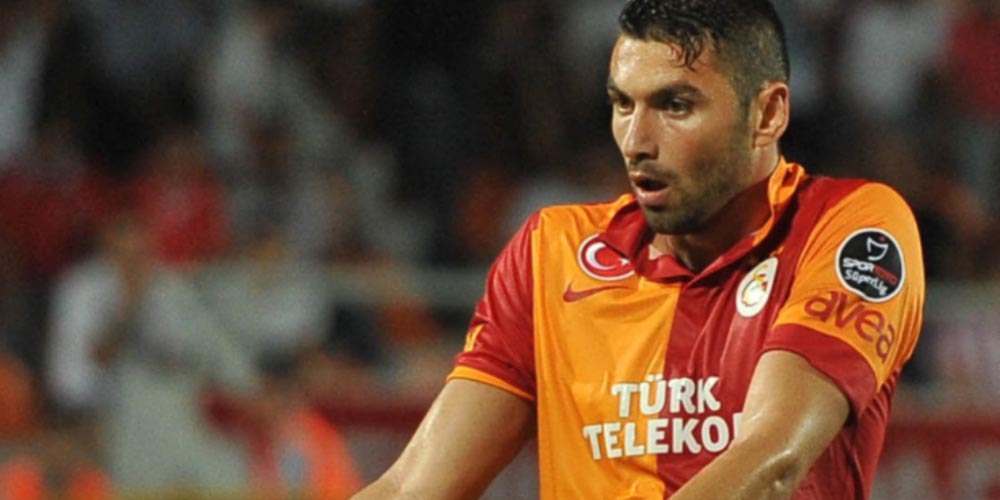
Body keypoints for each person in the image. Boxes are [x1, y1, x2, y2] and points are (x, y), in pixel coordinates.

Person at [351, 0, 925, 498]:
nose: (636, 141)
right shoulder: (552, 254)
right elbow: (413, 487)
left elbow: (773, 457)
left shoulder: (850, 229)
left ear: (768, 113)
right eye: (623, 104)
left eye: (675, 106)